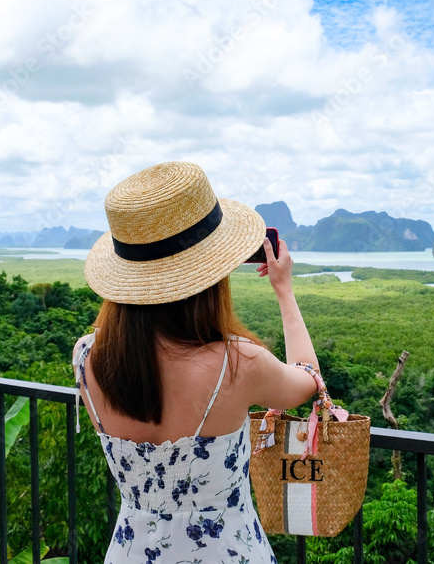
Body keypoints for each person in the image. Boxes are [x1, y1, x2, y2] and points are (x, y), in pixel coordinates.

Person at [72, 161, 319, 563]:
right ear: (212, 273)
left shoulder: (86, 356)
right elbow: (308, 378)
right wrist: (284, 290)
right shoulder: (237, 363)